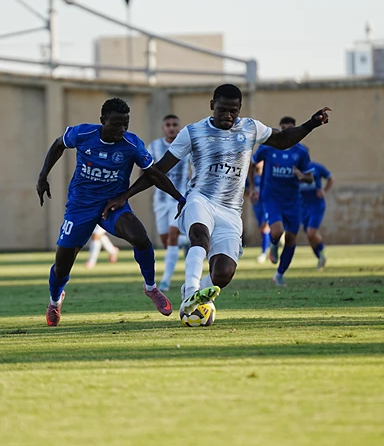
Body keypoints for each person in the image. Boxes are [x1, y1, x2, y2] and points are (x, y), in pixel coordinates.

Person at [103, 84, 330, 319]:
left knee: (223, 273)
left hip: (231, 210)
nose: (228, 115)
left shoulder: (251, 127)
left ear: (240, 108)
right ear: (212, 105)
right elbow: (159, 169)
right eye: (222, 109)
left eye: (234, 110)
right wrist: (125, 196)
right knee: (199, 236)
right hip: (200, 199)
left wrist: (311, 123)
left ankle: (197, 290)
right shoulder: (193, 132)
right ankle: (191, 292)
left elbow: (282, 140)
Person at [36, 97, 185, 326]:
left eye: (125, 124)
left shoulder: (131, 144)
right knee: (63, 263)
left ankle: (151, 287)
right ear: (102, 120)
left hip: (112, 205)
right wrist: (43, 176)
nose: (121, 129)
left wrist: (179, 198)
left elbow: (153, 173)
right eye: (116, 124)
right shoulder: (83, 134)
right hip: (80, 207)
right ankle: (55, 301)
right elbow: (58, 144)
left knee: (141, 238)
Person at [250, 116, 314, 286]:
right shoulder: (268, 148)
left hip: (293, 200)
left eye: (290, 128)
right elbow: (251, 164)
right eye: (283, 127)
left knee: (292, 238)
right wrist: (252, 188)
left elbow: (310, 178)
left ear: (295, 130)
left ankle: (279, 274)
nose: (286, 131)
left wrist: (301, 175)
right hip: (272, 197)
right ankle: (273, 244)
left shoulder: (301, 152)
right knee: (277, 231)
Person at [147, 114, 191, 291]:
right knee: (166, 241)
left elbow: (193, 169)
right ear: (163, 128)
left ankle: (165, 281)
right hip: (160, 200)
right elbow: (145, 171)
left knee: (172, 235)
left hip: (179, 199)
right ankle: (187, 241)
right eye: (168, 125)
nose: (172, 127)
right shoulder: (155, 146)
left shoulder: (186, 146)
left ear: (179, 128)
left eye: (175, 125)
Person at [300, 160, 333, 269]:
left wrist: (324, 190)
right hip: (302, 207)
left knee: (311, 232)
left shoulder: (316, 167)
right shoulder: (294, 169)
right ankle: (320, 258)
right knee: (309, 237)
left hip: (316, 206)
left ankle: (322, 250)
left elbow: (330, 177)